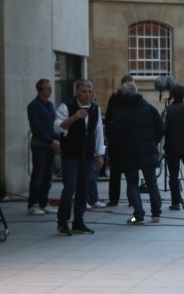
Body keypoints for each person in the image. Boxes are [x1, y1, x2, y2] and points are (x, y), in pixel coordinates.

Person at [107, 80, 164, 224]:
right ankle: (156, 212)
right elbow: (160, 129)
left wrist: (116, 150)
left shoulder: (119, 111)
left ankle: (138, 215)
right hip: (148, 151)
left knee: (132, 183)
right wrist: (152, 143)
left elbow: (115, 135)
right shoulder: (150, 108)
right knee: (152, 182)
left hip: (127, 153)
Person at [54, 79, 105, 236]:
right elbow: (58, 126)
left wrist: (100, 154)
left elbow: (98, 132)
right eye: (84, 91)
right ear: (77, 92)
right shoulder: (66, 107)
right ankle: (62, 222)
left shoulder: (95, 109)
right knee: (70, 187)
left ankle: (78, 222)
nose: (87, 94)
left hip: (87, 155)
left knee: (84, 189)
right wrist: (74, 117)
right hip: (71, 154)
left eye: (90, 92)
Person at [26, 79, 59, 216]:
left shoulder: (50, 105)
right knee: (38, 174)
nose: (50, 91)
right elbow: (36, 127)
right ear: (40, 90)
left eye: (50, 88)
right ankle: (33, 203)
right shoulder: (34, 106)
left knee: (47, 175)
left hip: (51, 144)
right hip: (40, 144)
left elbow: (54, 124)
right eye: (47, 89)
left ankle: (44, 202)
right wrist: (50, 139)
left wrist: (57, 138)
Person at [103, 74, 134, 207]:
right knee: (130, 173)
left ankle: (114, 198)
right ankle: (132, 199)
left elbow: (108, 118)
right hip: (128, 140)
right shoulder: (132, 99)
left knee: (115, 172)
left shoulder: (114, 98)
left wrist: (110, 136)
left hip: (116, 140)